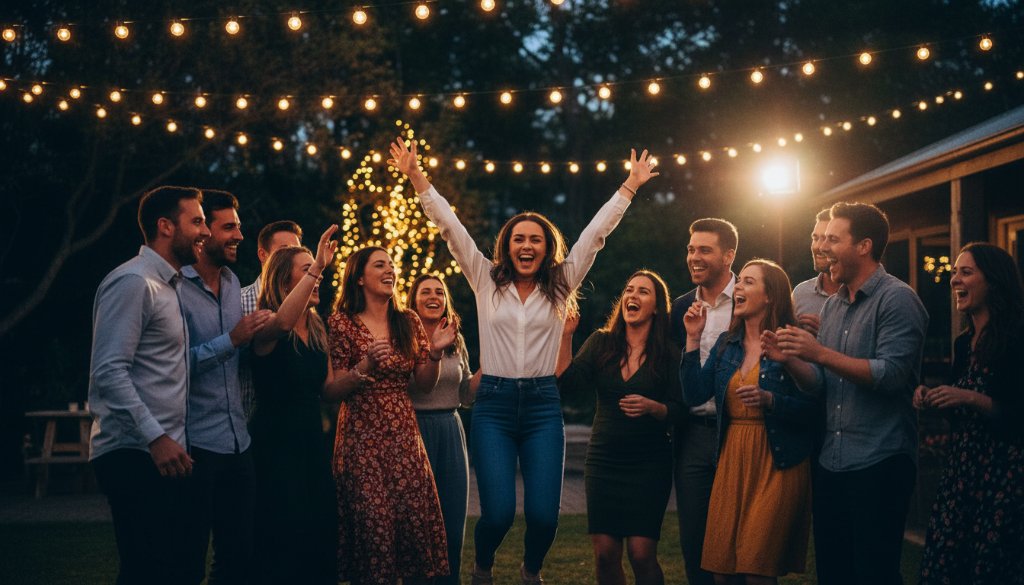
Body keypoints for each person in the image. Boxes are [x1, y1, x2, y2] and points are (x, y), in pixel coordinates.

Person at [390, 137, 659, 584]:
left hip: (541, 406)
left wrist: (628, 187)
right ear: (507, 246)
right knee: (496, 513)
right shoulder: (484, 280)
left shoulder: (562, 284)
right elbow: (450, 228)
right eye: (519, 239)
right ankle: (483, 564)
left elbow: (595, 237)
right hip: (493, 406)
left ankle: (531, 569)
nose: (527, 245)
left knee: (544, 517)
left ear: (547, 247)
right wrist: (417, 177)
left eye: (536, 239)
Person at [775, 202, 928, 585]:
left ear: (863, 246)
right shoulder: (834, 306)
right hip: (832, 461)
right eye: (822, 239)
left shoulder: (898, 299)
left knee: (874, 573)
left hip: (881, 459)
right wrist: (790, 358)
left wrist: (819, 353)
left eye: (833, 239)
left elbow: (891, 375)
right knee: (834, 573)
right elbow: (820, 384)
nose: (823, 248)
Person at [88, 185, 211, 585]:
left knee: (182, 570)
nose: (206, 231)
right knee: (147, 571)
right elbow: (109, 371)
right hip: (135, 453)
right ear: (165, 226)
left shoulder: (171, 287)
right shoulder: (133, 282)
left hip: (169, 453)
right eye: (197, 221)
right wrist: (156, 438)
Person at [682, 259, 820, 584]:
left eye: (748, 282)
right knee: (721, 571)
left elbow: (814, 408)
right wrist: (692, 339)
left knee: (757, 569)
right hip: (733, 459)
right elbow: (694, 393)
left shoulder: (791, 340)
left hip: (778, 461)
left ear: (770, 295)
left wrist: (771, 400)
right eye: (739, 281)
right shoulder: (726, 344)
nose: (738, 288)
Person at [329, 246, 455, 585]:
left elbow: (425, 384)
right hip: (361, 438)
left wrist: (435, 353)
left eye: (391, 265)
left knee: (409, 525)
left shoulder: (407, 321)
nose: (390, 270)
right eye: (380, 265)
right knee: (374, 526)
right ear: (359, 278)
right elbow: (332, 389)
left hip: (403, 437)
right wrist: (365, 365)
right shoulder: (342, 323)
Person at [556, 270, 683, 585]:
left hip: (649, 464)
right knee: (605, 554)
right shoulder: (601, 343)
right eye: (629, 290)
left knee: (641, 554)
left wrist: (654, 408)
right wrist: (566, 334)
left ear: (656, 307)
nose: (633, 296)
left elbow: (682, 410)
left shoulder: (668, 353)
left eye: (643, 291)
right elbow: (568, 385)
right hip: (604, 462)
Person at [915, 242, 1024, 584]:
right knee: (945, 566)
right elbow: (958, 409)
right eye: (954, 273)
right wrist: (931, 397)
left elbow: (1017, 415)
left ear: (993, 280)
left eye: (966, 272)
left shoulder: (1016, 339)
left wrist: (970, 397)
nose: (954, 280)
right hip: (962, 475)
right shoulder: (963, 344)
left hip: (1003, 478)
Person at [179, 190, 272, 584]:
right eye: (229, 227)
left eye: (239, 226)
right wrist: (232, 340)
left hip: (238, 442)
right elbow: (174, 364)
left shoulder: (233, 284)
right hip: (194, 444)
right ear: (204, 233)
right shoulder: (176, 288)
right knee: (187, 559)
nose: (239, 236)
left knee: (237, 558)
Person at [248, 228, 342, 585]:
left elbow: (329, 389)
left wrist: (365, 370)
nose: (317, 277)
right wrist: (318, 265)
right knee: (283, 538)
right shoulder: (266, 323)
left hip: (312, 443)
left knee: (320, 534)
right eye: (306, 270)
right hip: (275, 444)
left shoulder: (318, 329)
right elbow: (284, 322)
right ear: (284, 279)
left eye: (315, 270)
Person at [667, 218, 739, 585]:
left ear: (728, 255)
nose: (694, 257)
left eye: (705, 250)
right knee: (694, 537)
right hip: (693, 434)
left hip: (739, 431)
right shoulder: (680, 307)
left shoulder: (750, 300)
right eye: (691, 249)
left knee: (737, 540)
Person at [407, 273, 481, 585]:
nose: (433, 297)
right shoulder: (402, 337)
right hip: (412, 430)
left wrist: (489, 366)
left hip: (451, 429)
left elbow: (466, 395)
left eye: (439, 292)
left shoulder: (456, 341)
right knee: (417, 523)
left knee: (452, 520)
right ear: (413, 300)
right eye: (426, 291)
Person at [239, 220, 303, 418]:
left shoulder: (306, 307)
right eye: (284, 250)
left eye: (296, 250)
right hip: (247, 417)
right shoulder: (239, 302)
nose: (292, 257)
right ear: (262, 254)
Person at [791, 208, 840, 335]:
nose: (818, 246)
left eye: (827, 238)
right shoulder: (800, 293)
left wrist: (827, 333)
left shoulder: (859, 294)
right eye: (815, 238)